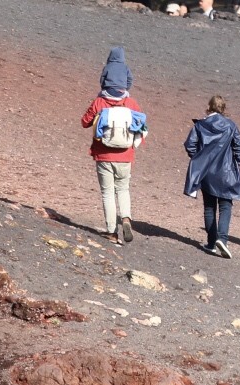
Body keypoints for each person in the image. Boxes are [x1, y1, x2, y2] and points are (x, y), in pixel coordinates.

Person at [80, 49, 148, 244]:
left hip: (103, 154)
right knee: (123, 189)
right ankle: (126, 217)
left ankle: (112, 230)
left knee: (107, 192)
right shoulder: (132, 104)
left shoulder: (99, 102)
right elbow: (141, 128)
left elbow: (84, 122)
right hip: (125, 155)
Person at [184, 95, 240, 258]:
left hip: (206, 172)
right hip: (226, 172)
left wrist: (199, 159)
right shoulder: (231, 125)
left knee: (209, 207)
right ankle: (222, 240)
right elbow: (239, 146)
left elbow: (190, 145)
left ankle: (211, 243)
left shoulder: (201, 125)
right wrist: (235, 162)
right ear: (223, 108)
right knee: (226, 206)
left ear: (209, 107)